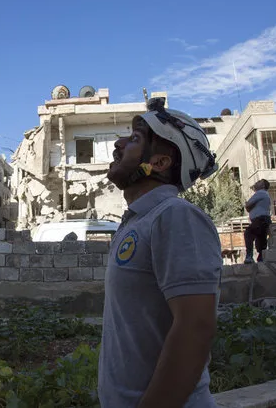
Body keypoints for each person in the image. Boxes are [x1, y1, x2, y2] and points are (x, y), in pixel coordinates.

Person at [99, 97, 222, 408]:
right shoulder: (140, 221)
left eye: (135, 139)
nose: (119, 143)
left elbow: (195, 328)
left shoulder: (176, 216)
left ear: (161, 162)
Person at [243, 179, 272, 263]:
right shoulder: (265, 194)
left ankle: (249, 256)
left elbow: (248, 205)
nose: (256, 183)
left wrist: (248, 206)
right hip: (265, 219)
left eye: (259, 182)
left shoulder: (260, 193)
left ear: (263, 186)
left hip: (260, 219)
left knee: (248, 233)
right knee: (261, 239)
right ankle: (261, 259)